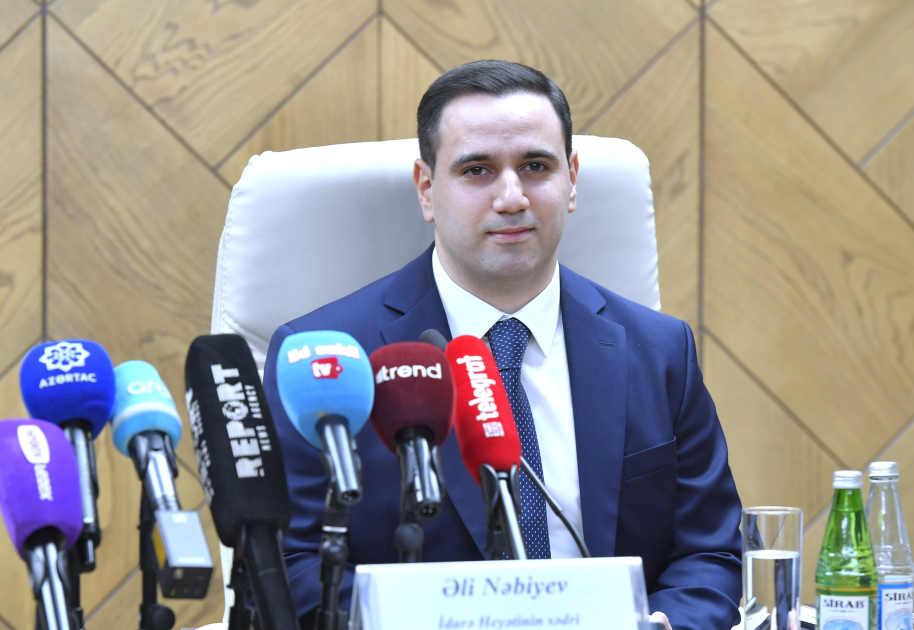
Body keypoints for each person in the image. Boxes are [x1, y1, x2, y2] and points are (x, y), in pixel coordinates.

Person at [263, 60, 742, 630]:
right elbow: (291, 565)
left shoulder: (661, 352)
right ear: (427, 189)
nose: (512, 197)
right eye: (477, 170)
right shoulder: (325, 363)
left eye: (536, 167)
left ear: (571, 180)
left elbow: (708, 554)